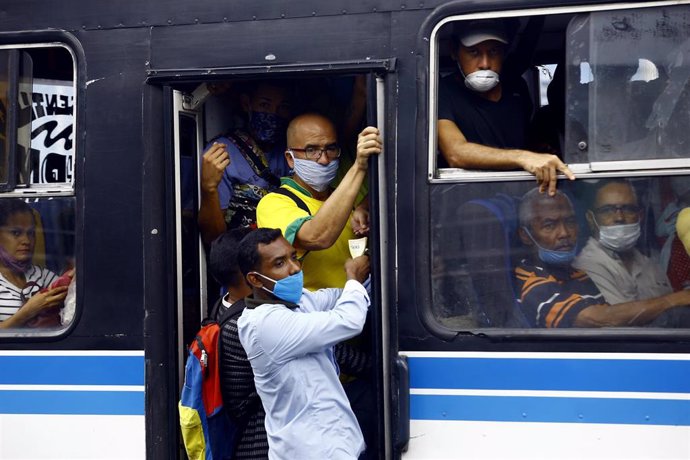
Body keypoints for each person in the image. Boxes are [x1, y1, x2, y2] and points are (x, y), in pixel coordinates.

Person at [236, 228, 371, 460]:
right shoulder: (264, 324)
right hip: (309, 451)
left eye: (294, 257)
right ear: (255, 279)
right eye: (280, 263)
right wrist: (353, 278)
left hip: (337, 446)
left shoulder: (297, 301)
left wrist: (365, 265)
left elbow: (342, 297)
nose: (295, 268)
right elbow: (348, 320)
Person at [514, 188, 690, 328]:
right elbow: (594, 318)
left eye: (570, 222)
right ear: (525, 235)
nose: (564, 233)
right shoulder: (532, 282)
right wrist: (675, 300)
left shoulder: (575, 274)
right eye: (549, 225)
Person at [437, 18, 574, 195]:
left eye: (493, 51)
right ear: (454, 52)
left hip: (523, 190)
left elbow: (523, 139)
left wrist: (539, 150)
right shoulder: (442, 92)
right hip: (470, 197)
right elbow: (456, 153)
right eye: (474, 52)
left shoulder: (516, 87)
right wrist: (523, 157)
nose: (485, 64)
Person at [256, 113, 381, 290]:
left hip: (355, 307)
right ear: (290, 158)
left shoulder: (346, 200)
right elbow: (316, 237)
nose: (323, 159)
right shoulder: (274, 203)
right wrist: (359, 167)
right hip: (310, 312)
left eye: (330, 148)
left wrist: (363, 208)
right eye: (311, 150)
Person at [198, 81, 293, 246]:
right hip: (241, 253)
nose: (273, 114)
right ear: (246, 104)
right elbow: (214, 239)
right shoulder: (222, 152)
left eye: (282, 107)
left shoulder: (293, 149)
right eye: (264, 105)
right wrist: (209, 189)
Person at [207, 228, 268, 459]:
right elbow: (340, 356)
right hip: (260, 441)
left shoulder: (221, 309)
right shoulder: (252, 323)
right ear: (250, 274)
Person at [572, 180, 673, 304]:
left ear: (640, 216)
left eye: (628, 209)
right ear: (591, 219)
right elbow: (618, 319)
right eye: (607, 210)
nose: (619, 218)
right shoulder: (587, 265)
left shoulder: (650, 263)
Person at [0, 199, 71, 328]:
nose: (26, 240)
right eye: (16, 233)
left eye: (31, 233)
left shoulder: (42, 276)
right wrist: (28, 311)